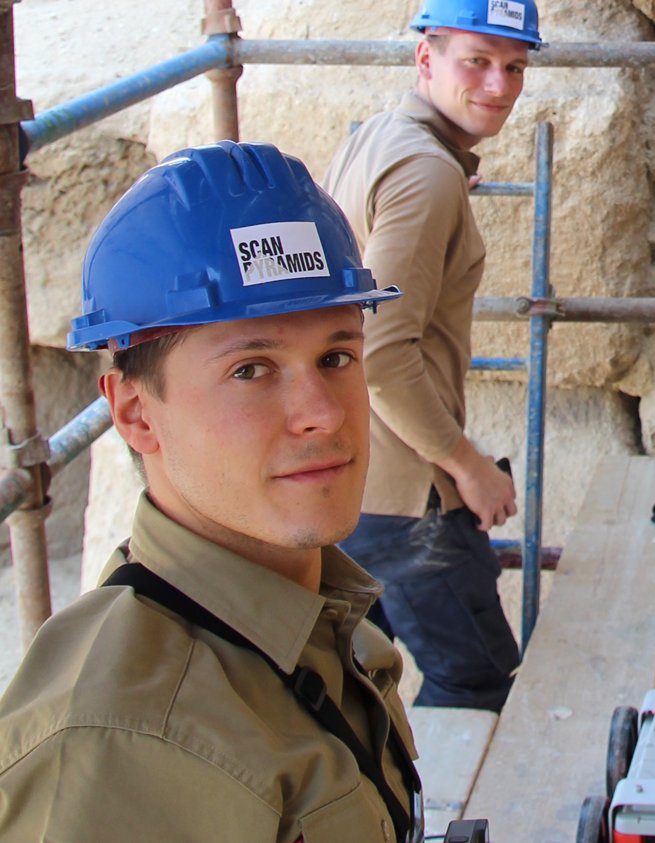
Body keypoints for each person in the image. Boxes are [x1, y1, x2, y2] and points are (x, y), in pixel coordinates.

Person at [0, 141, 421, 842]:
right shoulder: (126, 744)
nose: (322, 409)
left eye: (337, 355)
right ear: (136, 413)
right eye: (252, 369)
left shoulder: (319, 617)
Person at [324, 0, 542, 713]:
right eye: (475, 62)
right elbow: (382, 353)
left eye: (513, 66)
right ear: (426, 58)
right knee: (474, 678)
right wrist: (468, 465)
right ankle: (447, 822)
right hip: (407, 496)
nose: (499, 86)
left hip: (358, 481)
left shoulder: (381, 139)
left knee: (351, 681)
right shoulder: (427, 174)